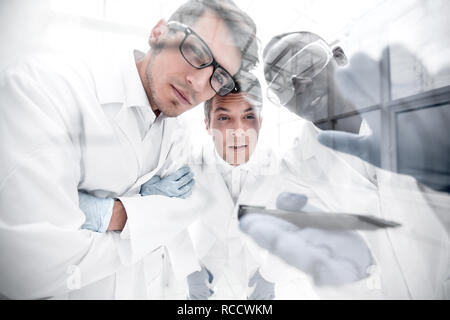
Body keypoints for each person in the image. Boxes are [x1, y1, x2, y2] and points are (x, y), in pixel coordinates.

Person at [0, 0, 258, 299]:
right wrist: (140, 217)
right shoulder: (45, 88)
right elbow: (29, 271)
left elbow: (182, 212)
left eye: (220, 77)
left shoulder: (177, 133)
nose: (199, 82)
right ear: (159, 33)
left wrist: (95, 213)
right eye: (196, 51)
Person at [243, 31, 450, 299]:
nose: (300, 85)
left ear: (338, 57)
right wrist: (267, 276)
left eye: (307, 64)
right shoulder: (295, 167)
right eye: (282, 86)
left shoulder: (417, 111)